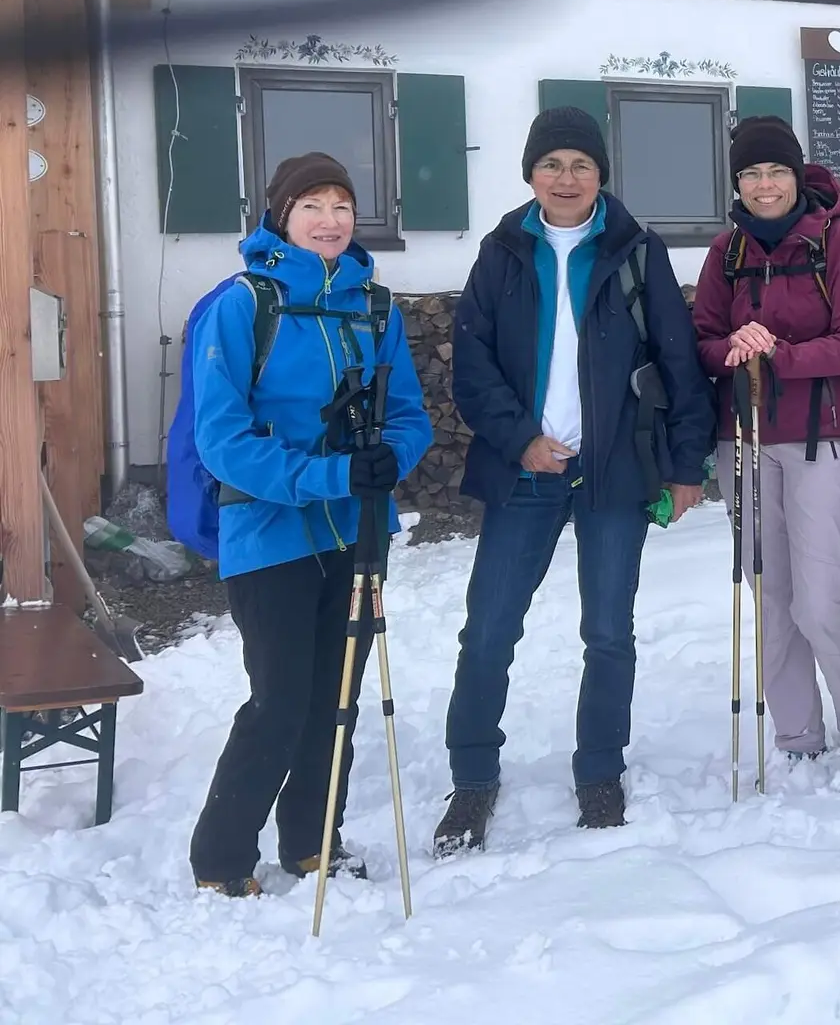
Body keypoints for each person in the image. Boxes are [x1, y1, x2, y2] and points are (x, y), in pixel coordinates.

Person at [437, 105, 715, 852]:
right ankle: (471, 777)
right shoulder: (502, 252)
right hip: (523, 470)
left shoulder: (635, 251)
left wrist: (687, 464)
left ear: (601, 175)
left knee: (607, 631)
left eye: (580, 165)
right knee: (489, 629)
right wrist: (520, 438)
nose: (565, 178)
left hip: (614, 470)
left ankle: (599, 769)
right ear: (531, 173)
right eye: (551, 164)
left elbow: (680, 360)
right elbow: (473, 365)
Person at [188, 153, 431, 896]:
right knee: (280, 700)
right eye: (312, 206)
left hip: (356, 533)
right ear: (280, 217)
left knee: (336, 698)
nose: (330, 220)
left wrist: (389, 460)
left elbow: (409, 414)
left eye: (341, 206)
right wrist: (328, 475)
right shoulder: (243, 305)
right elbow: (221, 439)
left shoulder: (373, 307)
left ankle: (311, 840)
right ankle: (223, 858)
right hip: (268, 537)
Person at [691, 115, 840, 764]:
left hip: (820, 439)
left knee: (820, 593)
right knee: (771, 595)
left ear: (795, 176)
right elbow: (701, 340)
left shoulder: (834, 241)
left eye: (776, 170)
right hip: (742, 440)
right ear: (738, 181)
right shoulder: (727, 253)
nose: (764, 184)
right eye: (751, 173)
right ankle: (797, 734)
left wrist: (779, 354)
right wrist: (732, 349)